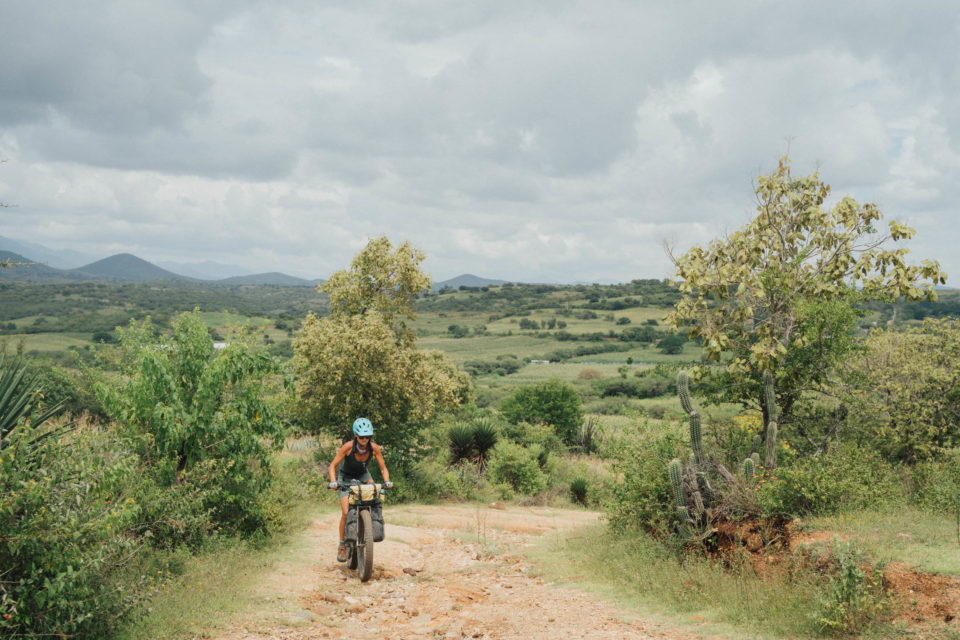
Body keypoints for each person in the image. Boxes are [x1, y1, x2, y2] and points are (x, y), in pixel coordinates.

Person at [328, 417, 392, 562]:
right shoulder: (348, 447)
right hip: (345, 478)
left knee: (374, 492)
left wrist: (387, 481)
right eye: (362, 437)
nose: (364, 440)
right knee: (346, 512)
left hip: (363, 475)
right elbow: (332, 466)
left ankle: (367, 524)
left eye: (367, 437)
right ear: (356, 436)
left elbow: (383, 468)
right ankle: (342, 545)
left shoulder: (374, 448)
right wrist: (333, 482)